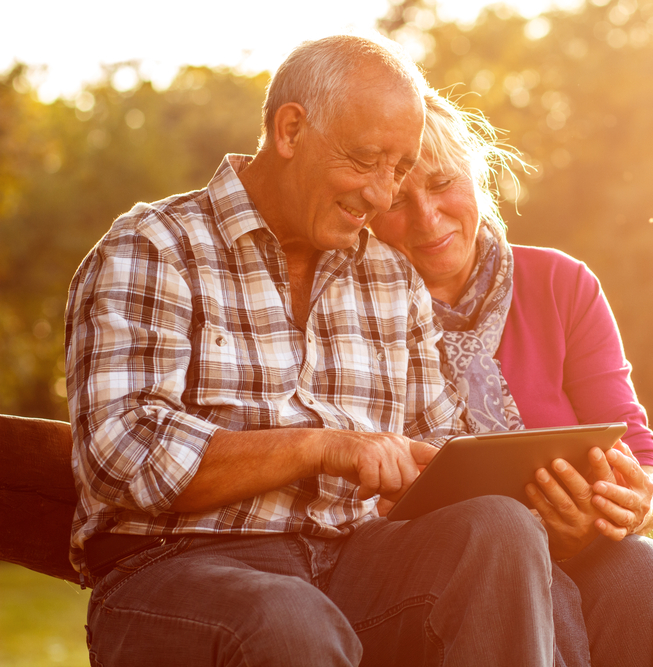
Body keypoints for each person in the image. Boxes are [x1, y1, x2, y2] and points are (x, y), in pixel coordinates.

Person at [65, 35, 578, 667]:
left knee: (499, 530)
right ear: (289, 129)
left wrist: (515, 481)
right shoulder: (153, 249)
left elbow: (440, 441)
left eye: (400, 167)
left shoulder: (391, 278)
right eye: (366, 161)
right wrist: (320, 445)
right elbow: (120, 454)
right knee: (290, 622)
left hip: (348, 564)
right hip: (173, 569)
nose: (385, 194)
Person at [369, 91, 653, 666]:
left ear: (479, 180)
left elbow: (642, 458)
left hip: (580, 545)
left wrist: (632, 505)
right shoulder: (357, 308)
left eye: (444, 182)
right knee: (541, 588)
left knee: (650, 580)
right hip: (444, 562)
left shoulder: (560, 284)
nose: (427, 217)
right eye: (399, 200)